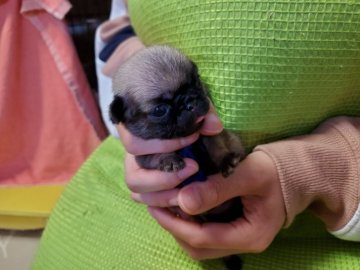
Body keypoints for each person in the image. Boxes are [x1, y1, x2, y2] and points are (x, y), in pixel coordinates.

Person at [33, 0, 360, 269]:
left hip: (322, 229)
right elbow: (119, 26)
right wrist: (134, 84)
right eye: (163, 107)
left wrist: (323, 170)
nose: (189, 104)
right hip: (128, 194)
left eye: (192, 84)